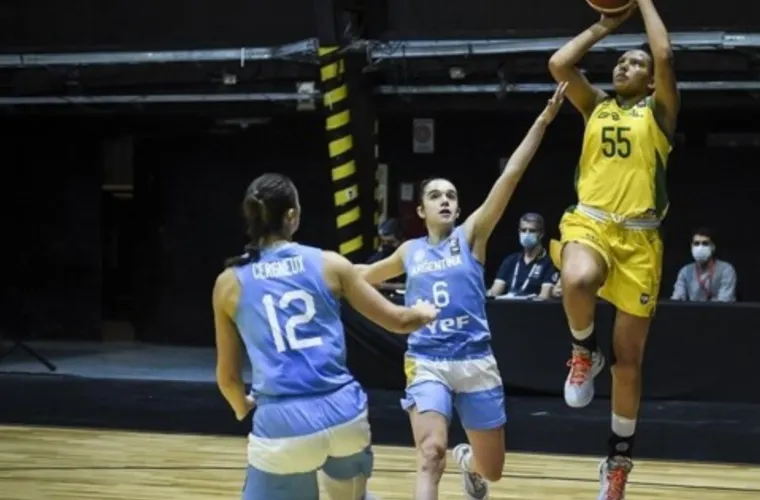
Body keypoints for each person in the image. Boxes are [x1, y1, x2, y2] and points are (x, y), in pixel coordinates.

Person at [355, 83, 567, 500]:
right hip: (427, 360)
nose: (445, 201)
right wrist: (321, 273)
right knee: (430, 453)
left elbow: (510, 177)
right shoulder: (409, 251)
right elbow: (362, 276)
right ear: (421, 210)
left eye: (451, 195)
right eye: (435, 196)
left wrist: (543, 121)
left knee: (494, 470)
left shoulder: (471, 236)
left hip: (475, 360)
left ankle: (469, 463)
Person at [211, 173, 439, 500]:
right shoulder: (330, 264)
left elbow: (228, 378)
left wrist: (241, 405)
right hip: (345, 416)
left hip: (283, 426)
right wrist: (425, 311)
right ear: (292, 215)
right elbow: (399, 321)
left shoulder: (228, 283)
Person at [547, 0, 679, 497]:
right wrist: (604, 25)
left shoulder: (659, 113)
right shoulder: (595, 105)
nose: (625, 66)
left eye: (635, 63)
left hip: (640, 240)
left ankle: (618, 460)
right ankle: (583, 349)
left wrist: (642, 2)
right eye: (621, 61)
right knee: (577, 278)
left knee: (629, 364)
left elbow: (664, 55)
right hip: (592, 222)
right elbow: (560, 64)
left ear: (650, 82)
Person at [487, 212, 560, 300]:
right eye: (523, 230)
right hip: (507, 306)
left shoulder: (549, 262)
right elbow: (495, 292)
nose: (527, 234)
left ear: (541, 233)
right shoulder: (511, 260)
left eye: (532, 231)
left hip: (533, 307)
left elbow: (544, 296)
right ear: (519, 232)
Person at [670, 227, 737, 302]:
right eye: (696, 244)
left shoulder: (726, 270)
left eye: (705, 243)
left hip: (718, 310)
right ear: (691, 247)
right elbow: (677, 299)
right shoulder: (685, 271)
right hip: (693, 309)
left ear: (713, 247)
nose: (700, 247)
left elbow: (724, 301)